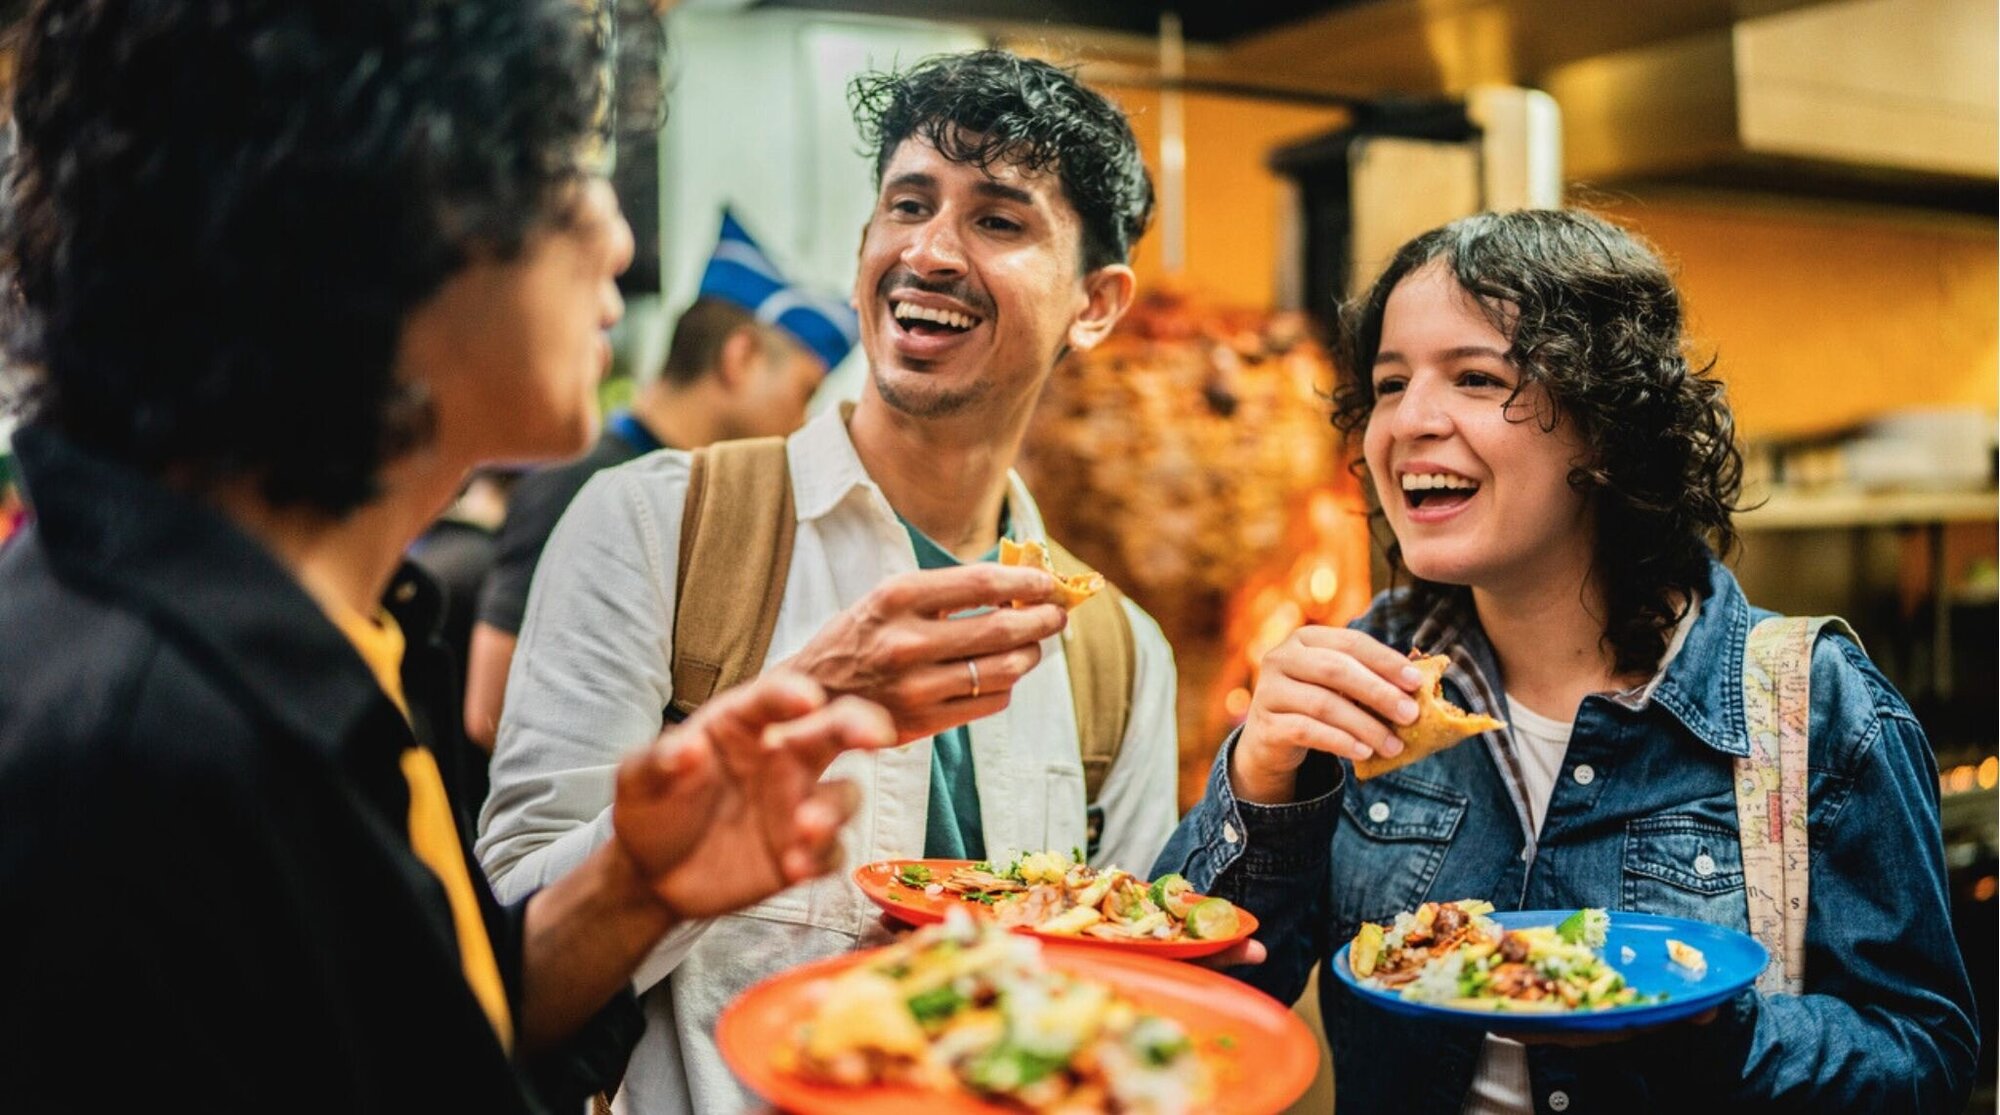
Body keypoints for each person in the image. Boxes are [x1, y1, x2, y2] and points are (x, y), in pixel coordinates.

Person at [0, 3, 896, 1112]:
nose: (615, 237)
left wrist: (630, 885)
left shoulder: (308, 639)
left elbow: (386, 1032)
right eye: (564, 167)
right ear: (380, 215)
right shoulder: (145, 751)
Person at [478, 49, 1182, 1112]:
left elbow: (1123, 997)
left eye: (997, 219)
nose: (929, 251)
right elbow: (507, 973)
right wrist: (799, 714)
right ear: (863, 246)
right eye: (907, 204)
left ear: (1094, 302)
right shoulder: (655, 526)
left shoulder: (1116, 655)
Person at [1155, 209, 1979, 1112]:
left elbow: (1924, 1057)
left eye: (1476, 377)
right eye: (1390, 384)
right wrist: (1263, 780)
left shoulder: (1814, 707)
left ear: (1606, 425)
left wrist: (1714, 1031)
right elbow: (1193, 1010)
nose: (1410, 421)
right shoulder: (1364, 682)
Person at [463, 210, 857, 752]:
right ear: (739, 358)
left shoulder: (707, 497)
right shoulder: (578, 480)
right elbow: (491, 707)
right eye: (804, 393)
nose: (805, 422)